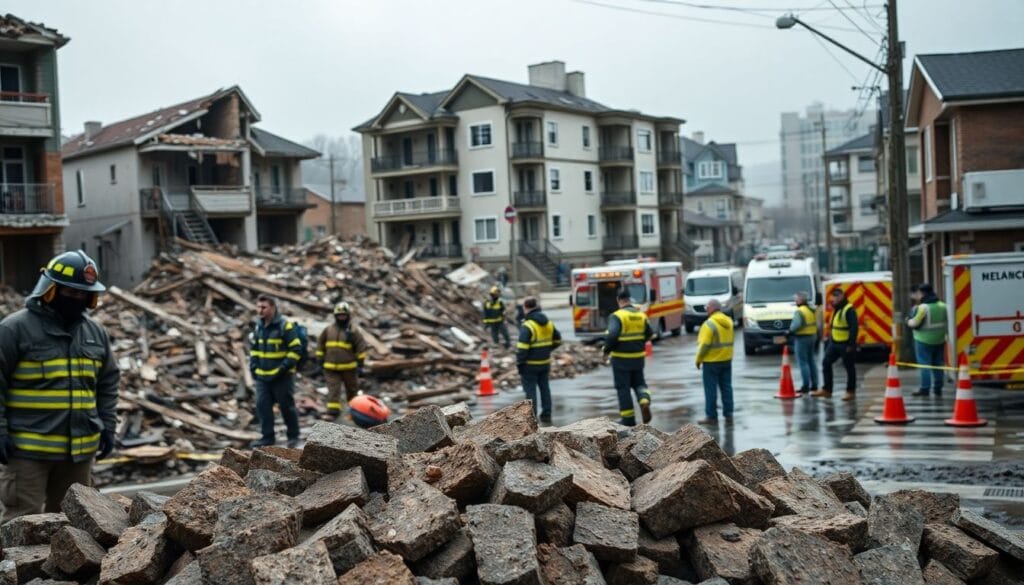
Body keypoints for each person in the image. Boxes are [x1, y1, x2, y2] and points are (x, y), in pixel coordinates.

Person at [0, 251, 119, 522]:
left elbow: (108, 382)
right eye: (71, 291)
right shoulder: (13, 330)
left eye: (83, 294)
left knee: (75, 528)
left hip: (79, 454)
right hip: (27, 453)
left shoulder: (95, 333)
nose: (77, 299)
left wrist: (108, 426)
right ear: (51, 289)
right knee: (21, 528)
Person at [250, 294, 302, 447]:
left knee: (286, 406)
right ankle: (267, 437)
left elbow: (296, 350)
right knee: (263, 406)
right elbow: (255, 349)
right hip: (263, 376)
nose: (260, 310)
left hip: (282, 377)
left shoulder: (285, 326)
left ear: (273, 308)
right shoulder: (259, 326)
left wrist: (284, 367)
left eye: (264, 307)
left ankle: (293, 436)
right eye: (258, 307)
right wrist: (253, 365)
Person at [603, 290, 654, 426]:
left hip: (621, 359)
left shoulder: (617, 316)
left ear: (619, 300)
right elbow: (649, 334)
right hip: (638, 357)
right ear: (629, 300)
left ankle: (628, 419)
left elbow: (612, 335)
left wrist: (606, 349)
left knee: (623, 388)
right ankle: (644, 400)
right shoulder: (641, 315)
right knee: (639, 383)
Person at [316, 302, 368, 419]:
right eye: (339, 315)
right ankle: (333, 412)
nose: (341, 317)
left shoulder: (353, 331)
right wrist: (319, 361)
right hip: (330, 367)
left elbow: (361, 347)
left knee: (352, 389)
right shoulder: (328, 330)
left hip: (349, 367)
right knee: (333, 390)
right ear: (335, 316)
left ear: (348, 316)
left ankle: (355, 412)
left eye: (343, 315)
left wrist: (360, 364)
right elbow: (320, 344)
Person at [516, 297, 561, 423]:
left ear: (525, 307)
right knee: (545, 388)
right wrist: (547, 350)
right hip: (545, 362)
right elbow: (557, 340)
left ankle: (532, 418)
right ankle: (546, 414)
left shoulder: (528, 325)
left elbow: (522, 348)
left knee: (530, 392)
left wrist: (520, 362)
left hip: (529, 365)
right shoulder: (549, 323)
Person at [814, 288, 859, 401]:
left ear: (841, 297)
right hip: (834, 342)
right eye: (833, 298)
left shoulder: (849, 309)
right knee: (826, 363)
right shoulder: (837, 309)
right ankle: (827, 390)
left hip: (845, 344)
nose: (833, 300)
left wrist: (851, 344)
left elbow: (854, 328)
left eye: (836, 297)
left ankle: (850, 391)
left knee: (849, 368)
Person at [695, 298, 734, 424]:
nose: (706, 309)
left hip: (711, 362)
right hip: (726, 359)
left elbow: (704, 345)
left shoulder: (709, 324)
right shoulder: (729, 321)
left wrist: (698, 360)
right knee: (727, 387)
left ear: (712, 308)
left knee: (710, 389)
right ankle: (729, 414)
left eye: (707, 307)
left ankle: (711, 416)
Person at [907, 282, 948, 397]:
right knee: (938, 364)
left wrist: (908, 321)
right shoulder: (942, 305)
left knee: (925, 365)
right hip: (939, 339)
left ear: (922, 293)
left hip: (923, 340)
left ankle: (925, 389)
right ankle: (938, 388)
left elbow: (914, 322)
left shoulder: (923, 308)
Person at [787, 291, 820, 394]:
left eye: (796, 299)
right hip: (812, 336)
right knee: (811, 361)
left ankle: (805, 386)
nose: (795, 301)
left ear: (800, 300)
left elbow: (795, 325)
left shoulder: (800, 311)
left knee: (803, 362)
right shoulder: (811, 310)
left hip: (802, 338)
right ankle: (814, 385)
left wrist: (789, 332)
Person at [483, 286, 510, 350]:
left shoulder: (499, 302)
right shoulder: (487, 302)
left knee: (504, 332)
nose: (498, 295)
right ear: (493, 294)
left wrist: (504, 318)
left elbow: (503, 310)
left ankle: (508, 343)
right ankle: (496, 344)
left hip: (500, 320)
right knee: (494, 333)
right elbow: (485, 313)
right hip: (492, 322)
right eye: (497, 293)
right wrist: (486, 323)